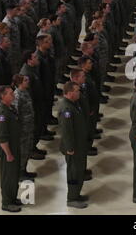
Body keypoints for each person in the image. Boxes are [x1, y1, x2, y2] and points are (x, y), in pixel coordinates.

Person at [58, 81, 89, 209]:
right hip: (73, 148)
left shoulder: (74, 104)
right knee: (73, 173)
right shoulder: (67, 109)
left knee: (79, 171)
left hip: (79, 146)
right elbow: (66, 131)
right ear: (70, 93)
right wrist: (70, 148)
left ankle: (76, 194)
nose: (79, 93)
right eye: (77, 91)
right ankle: (71, 198)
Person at [0, 85, 22, 212]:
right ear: (3, 96)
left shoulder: (9, 108)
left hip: (14, 147)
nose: (13, 95)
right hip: (8, 151)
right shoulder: (2, 113)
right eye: (10, 94)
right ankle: (6, 202)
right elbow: (2, 137)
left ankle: (12, 198)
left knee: (14, 175)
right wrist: (8, 154)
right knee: (8, 176)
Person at [11, 74, 37, 181]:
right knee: (22, 152)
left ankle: (24, 170)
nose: (28, 81)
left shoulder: (25, 92)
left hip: (28, 127)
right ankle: (20, 173)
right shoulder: (17, 96)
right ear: (20, 83)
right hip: (22, 130)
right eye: (25, 80)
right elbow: (15, 114)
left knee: (27, 150)